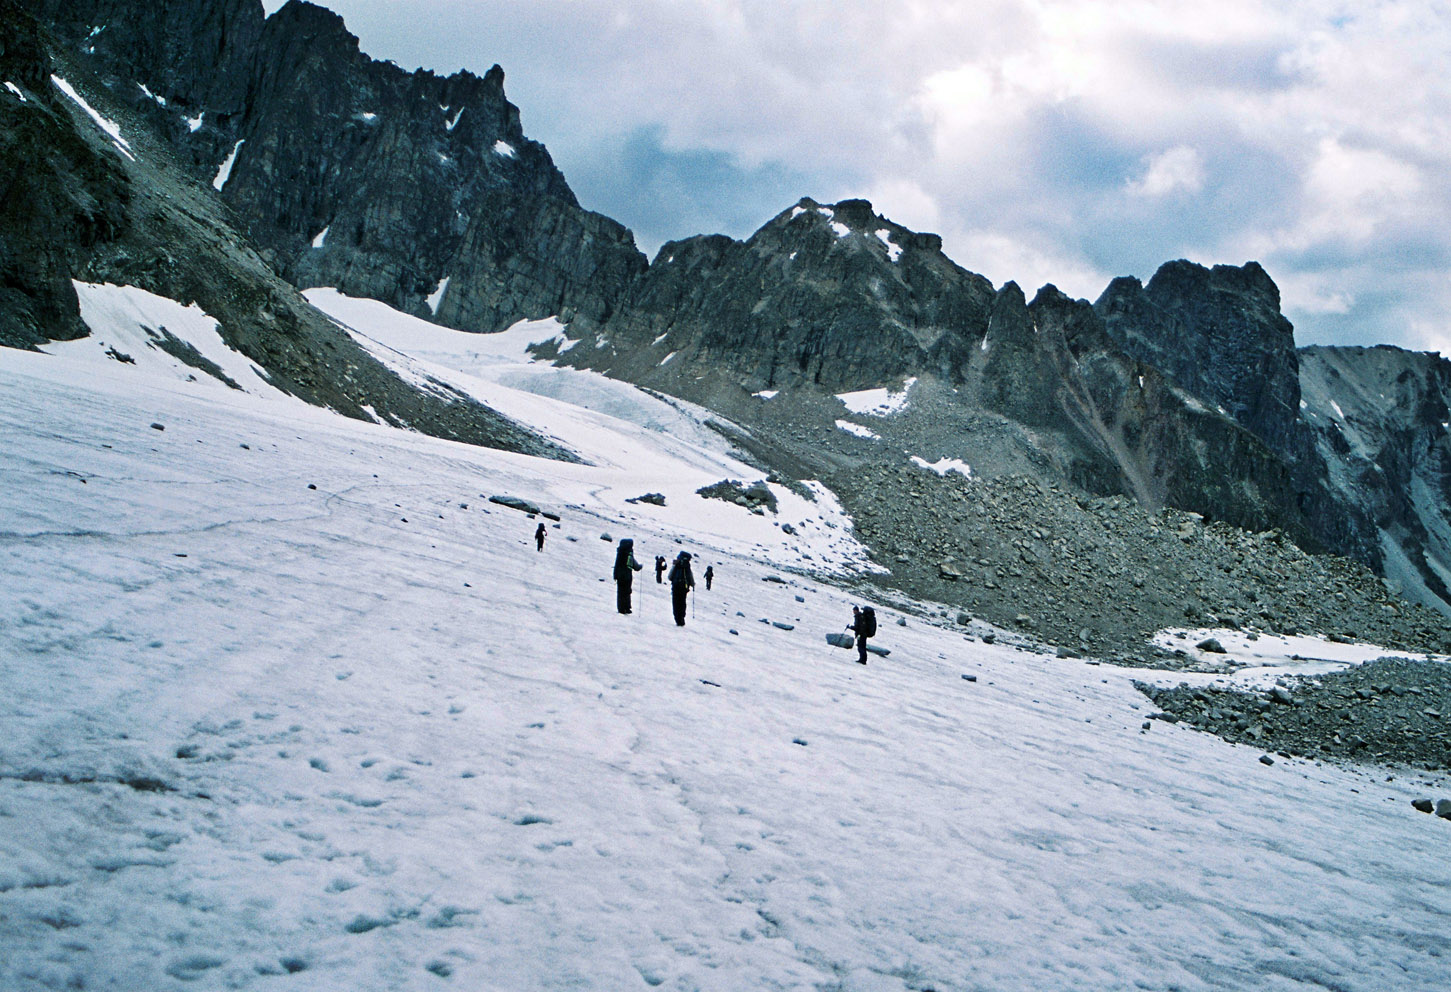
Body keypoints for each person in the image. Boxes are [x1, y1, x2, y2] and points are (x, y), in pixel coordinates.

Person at [613, 538, 642, 614]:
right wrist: (639, 567)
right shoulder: (629, 553)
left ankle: (621, 608)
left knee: (621, 592)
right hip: (627, 575)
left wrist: (615, 575)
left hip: (620, 575)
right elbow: (635, 565)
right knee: (627, 591)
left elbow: (617, 564)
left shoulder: (620, 552)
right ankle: (626, 607)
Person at [667, 551, 695, 626]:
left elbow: (670, 577)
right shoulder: (687, 566)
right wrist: (692, 584)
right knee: (682, 602)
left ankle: (677, 619)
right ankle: (682, 618)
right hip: (684, 588)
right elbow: (690, 576)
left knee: (675, 603)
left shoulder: (676, 563)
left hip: (675, 587)